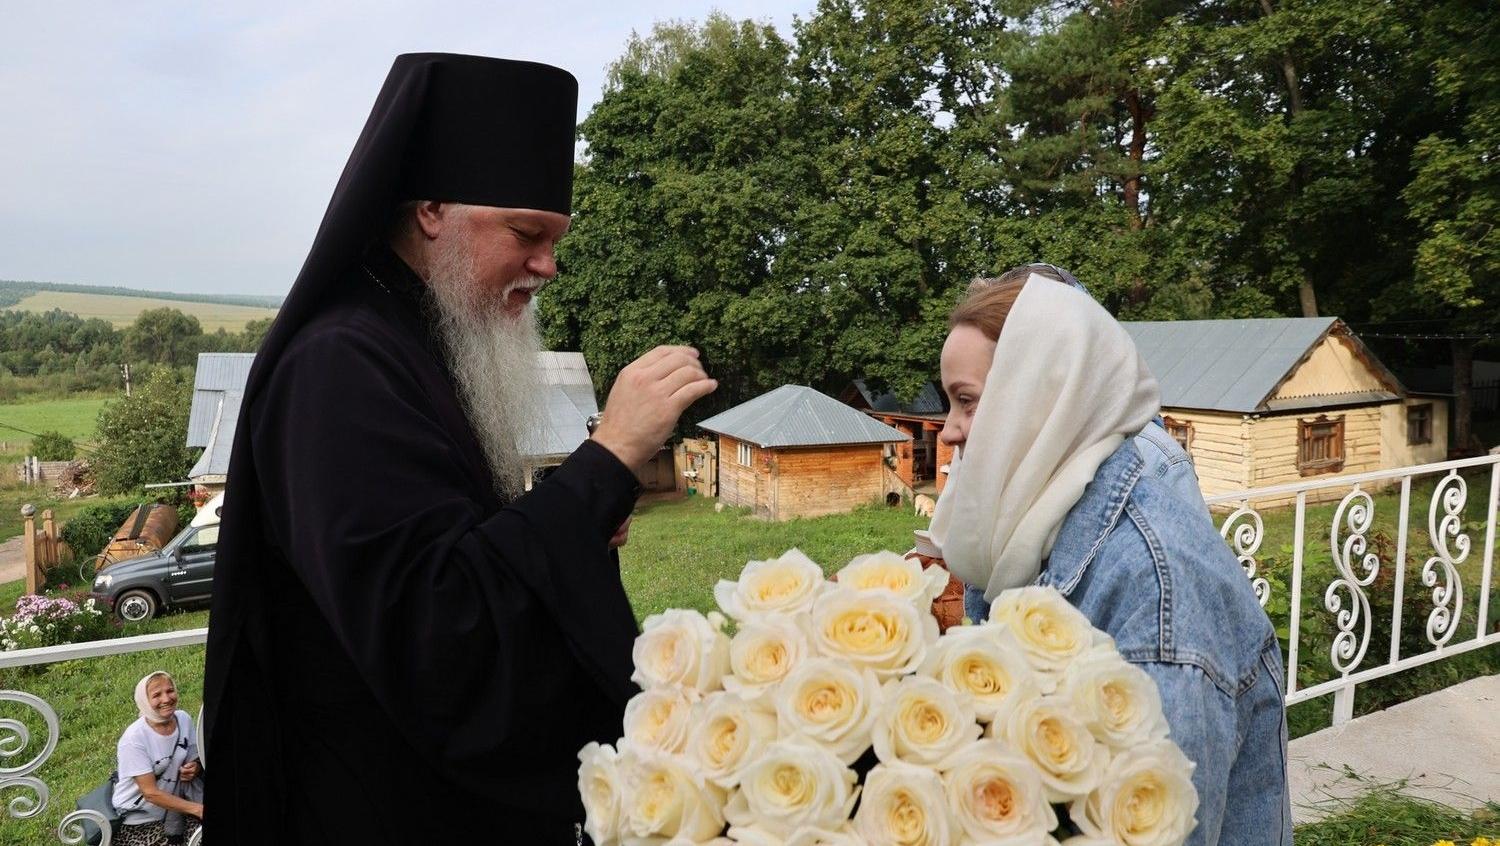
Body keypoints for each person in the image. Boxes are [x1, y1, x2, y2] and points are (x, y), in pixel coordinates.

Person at [201, 54, 716, 844]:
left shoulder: (422, 340)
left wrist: (573, 521)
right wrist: (608, 458)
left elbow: (456, 543)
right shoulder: (340, 363)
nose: (547, 266)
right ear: (434, 208)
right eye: (525, 233)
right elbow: (436, 632)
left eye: (555, 240)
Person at [929, 267, 1291, 845]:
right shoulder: (1032, 528)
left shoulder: (1157, 586)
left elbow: (1162, 829)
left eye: (966, 402)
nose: (948, 431)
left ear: (1038, 400)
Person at [113, 671, 203, 846]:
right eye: (156, 695)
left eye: (170, 691)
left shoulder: (183, 719)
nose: (166, 699)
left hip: (177, 808)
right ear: (144, 702)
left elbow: (195, 756)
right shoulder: (134, 739)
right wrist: (198, 809)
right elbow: (151, 794)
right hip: (138, 820)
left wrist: (195, 767)